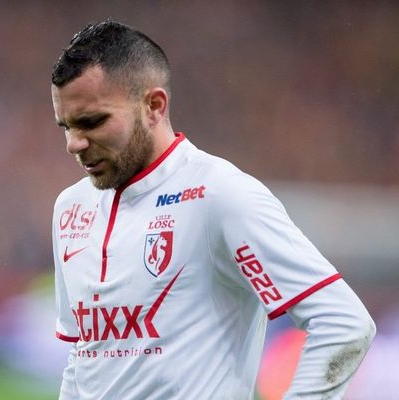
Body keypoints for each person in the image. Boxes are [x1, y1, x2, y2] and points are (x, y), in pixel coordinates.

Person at [50, 20, 375, 399]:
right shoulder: (70, 208)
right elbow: (84, 356)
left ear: (154, 106)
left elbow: (344, 323)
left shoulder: (219, 195)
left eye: (92, 122)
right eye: (66, 126)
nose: (74, 144)